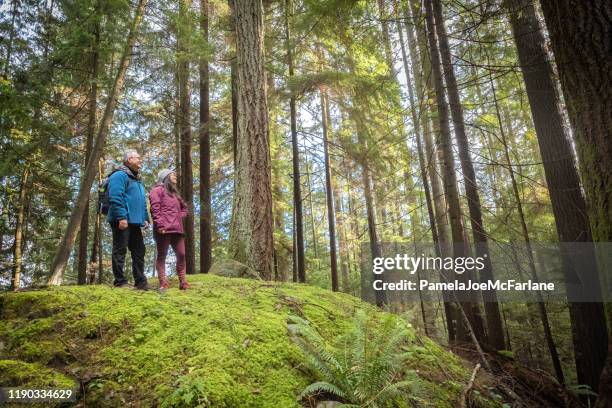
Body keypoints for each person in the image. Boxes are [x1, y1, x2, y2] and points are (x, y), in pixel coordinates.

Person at [107, 149, 150, 290]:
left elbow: (142, 201)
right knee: (120, 250)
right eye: (138, 158)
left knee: (139, 251)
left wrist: (145, 218)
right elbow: (115, 196)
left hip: (135, 222)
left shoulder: (136, 179)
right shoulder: (119, 175)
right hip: (122, 220)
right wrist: (121, 217)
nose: (140, 160)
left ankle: (140, 282)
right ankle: (120, 282)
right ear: (129, 159)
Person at [149, 169, 190, 290]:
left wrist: (178, 217)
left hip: (177, 229)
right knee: (162, 255)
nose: (175, 175)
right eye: (172, 174)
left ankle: (183, 282)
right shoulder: (156, 191)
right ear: (165, 177)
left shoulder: (175, 193)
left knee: (181, 254)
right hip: (163, 230)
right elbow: (155, 209)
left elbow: (185, 208)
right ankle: (163, 283)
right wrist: (160, 225)